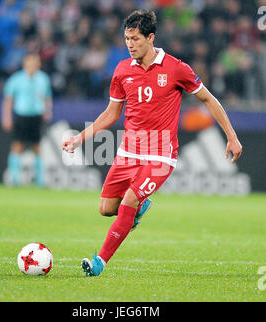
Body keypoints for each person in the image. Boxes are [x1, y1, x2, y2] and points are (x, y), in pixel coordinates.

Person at [62, 10, 242, 277]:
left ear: (150, 37)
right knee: (106, 209)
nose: (130, 44)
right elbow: (111, 114)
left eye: (135, 38)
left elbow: (208, 99)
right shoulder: (122, 70)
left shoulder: (176, 68)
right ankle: (140, 207)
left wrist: (232, 136)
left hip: (160, 154)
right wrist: (80, 138)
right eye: (126, 39)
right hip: (128, 151)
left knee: (131, 198)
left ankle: (100, 261)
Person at [2, 53, 53, 187]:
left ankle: (40, 181)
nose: (33, 64)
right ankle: (14, 180)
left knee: (37, 148)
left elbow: (47, 97)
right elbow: (8, 100)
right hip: (22, 116)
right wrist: (7, 118)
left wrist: (48, 111)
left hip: (36, 116)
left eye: (36, 62)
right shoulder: (16, 79)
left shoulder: (43, 79)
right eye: (30, 62)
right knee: (17, 146)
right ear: (25, 63)